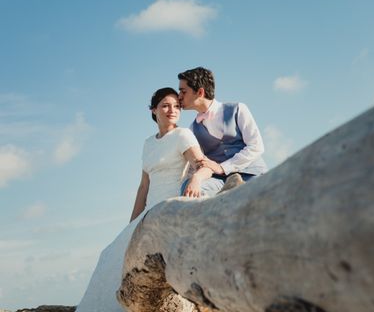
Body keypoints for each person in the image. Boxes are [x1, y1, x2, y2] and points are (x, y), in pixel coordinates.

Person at [76, 87, 211, 312]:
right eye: (165, 105)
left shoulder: (183, 135)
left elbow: (202, 165)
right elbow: (143, 187)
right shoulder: (149, 143)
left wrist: (196, 179)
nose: (172, 110)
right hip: (148, 213)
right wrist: (131, 223)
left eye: (176, 106)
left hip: (169, 211)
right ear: (153, 110)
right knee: (110, 255)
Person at [178, 67, 268, 196]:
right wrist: (194, 179)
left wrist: (222, 167)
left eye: (183, 91)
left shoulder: (238, 109)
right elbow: (195, 164)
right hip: (220, 181)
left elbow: (256, 146)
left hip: (251, 173)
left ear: (200, 92)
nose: (179, 96)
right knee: (191, 190)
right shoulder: (192, 129)